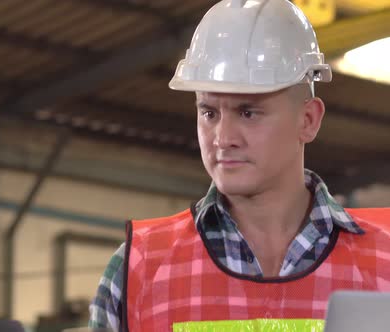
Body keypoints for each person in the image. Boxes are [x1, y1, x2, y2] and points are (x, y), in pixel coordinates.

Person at [88, 0, 390, 331]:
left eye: (248, 112)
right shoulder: (139, 268)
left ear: (308, 119)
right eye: (209, 113)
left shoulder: (384, 260)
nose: (223, 137)